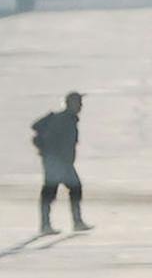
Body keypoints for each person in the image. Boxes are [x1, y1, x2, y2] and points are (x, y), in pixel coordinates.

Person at [31, 93, 92, 235]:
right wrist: (57, 158)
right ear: (70, 104)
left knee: (63, 189)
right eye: (78, 103)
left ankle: (52, 224)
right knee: (57, 190)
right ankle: (52, 224)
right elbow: (53, 139)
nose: (81, 106)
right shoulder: (62, 120)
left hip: (59, 162)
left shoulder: (68, 119)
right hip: (57, 162)